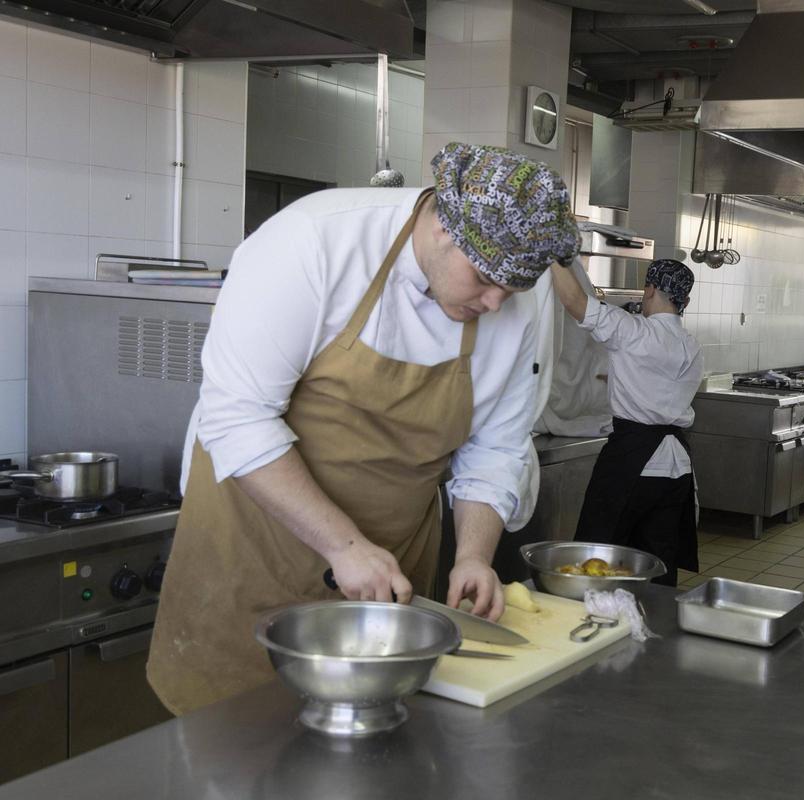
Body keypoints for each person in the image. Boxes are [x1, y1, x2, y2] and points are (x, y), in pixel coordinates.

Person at [147, 143, 580, 715]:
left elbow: (497, 444)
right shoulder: (312, 241)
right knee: (228, 751)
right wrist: (343, 545)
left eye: (514, 288)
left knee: (373, 751)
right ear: (443, 229)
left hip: (388, 578)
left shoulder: (517, 296)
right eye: (483, 279)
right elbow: (236, 415)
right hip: (251, 550)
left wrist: (474, 555)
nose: (497, 303)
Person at [550, 258, 704, 586]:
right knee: (657, 564)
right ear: (684, 301)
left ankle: (600, 621)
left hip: (632, 464)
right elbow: (659, 383)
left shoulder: (632, 330)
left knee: (601, 556)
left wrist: (555, 254)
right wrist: (619, 377)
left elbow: (574, 301)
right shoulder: (691, 345)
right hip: (676, 468)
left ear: (649, 290)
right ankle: (654, 626)